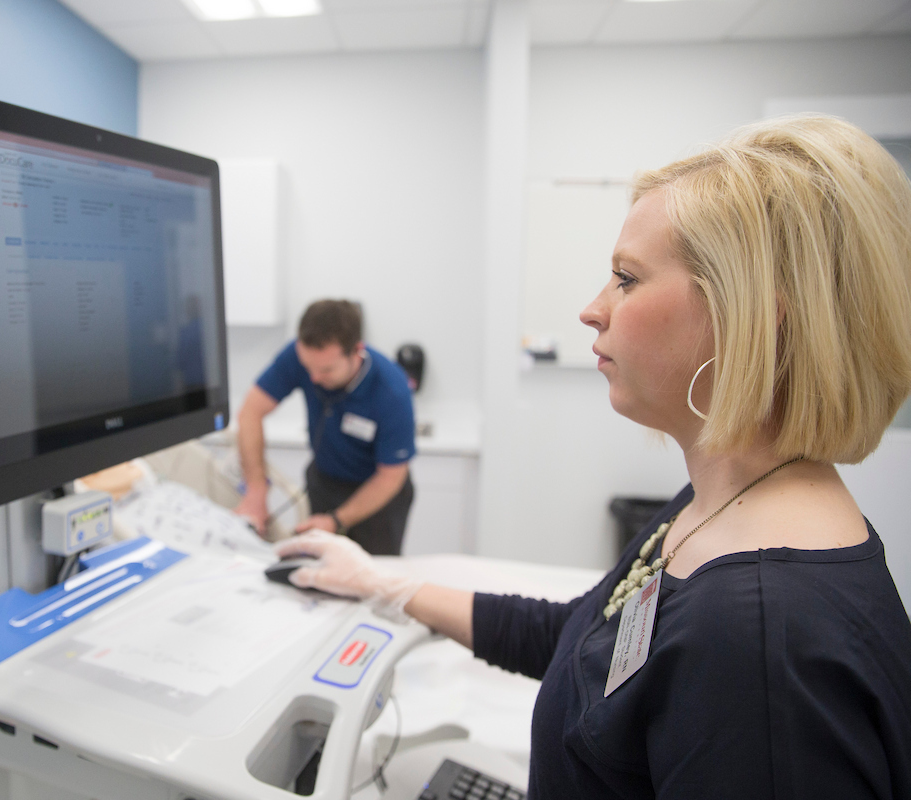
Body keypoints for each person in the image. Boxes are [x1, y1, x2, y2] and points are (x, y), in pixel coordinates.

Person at [276, 116, 911, 798]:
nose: (590, 309)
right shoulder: (718, 508)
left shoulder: (759, 646)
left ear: (749, 315)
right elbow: (583, 639)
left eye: (626, 278)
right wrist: (387, 587)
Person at [234, 299, 416, 555]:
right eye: (308, 367)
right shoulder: (300, 356)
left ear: (356, 351)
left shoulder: (392, 391)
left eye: (326, 370)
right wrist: (255, 489)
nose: (314, 378)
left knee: (371, 581)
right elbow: (250, 412)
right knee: (318, 573)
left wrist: (336, 520)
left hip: (378, 498)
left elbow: (391, 477)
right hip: (325, 483)